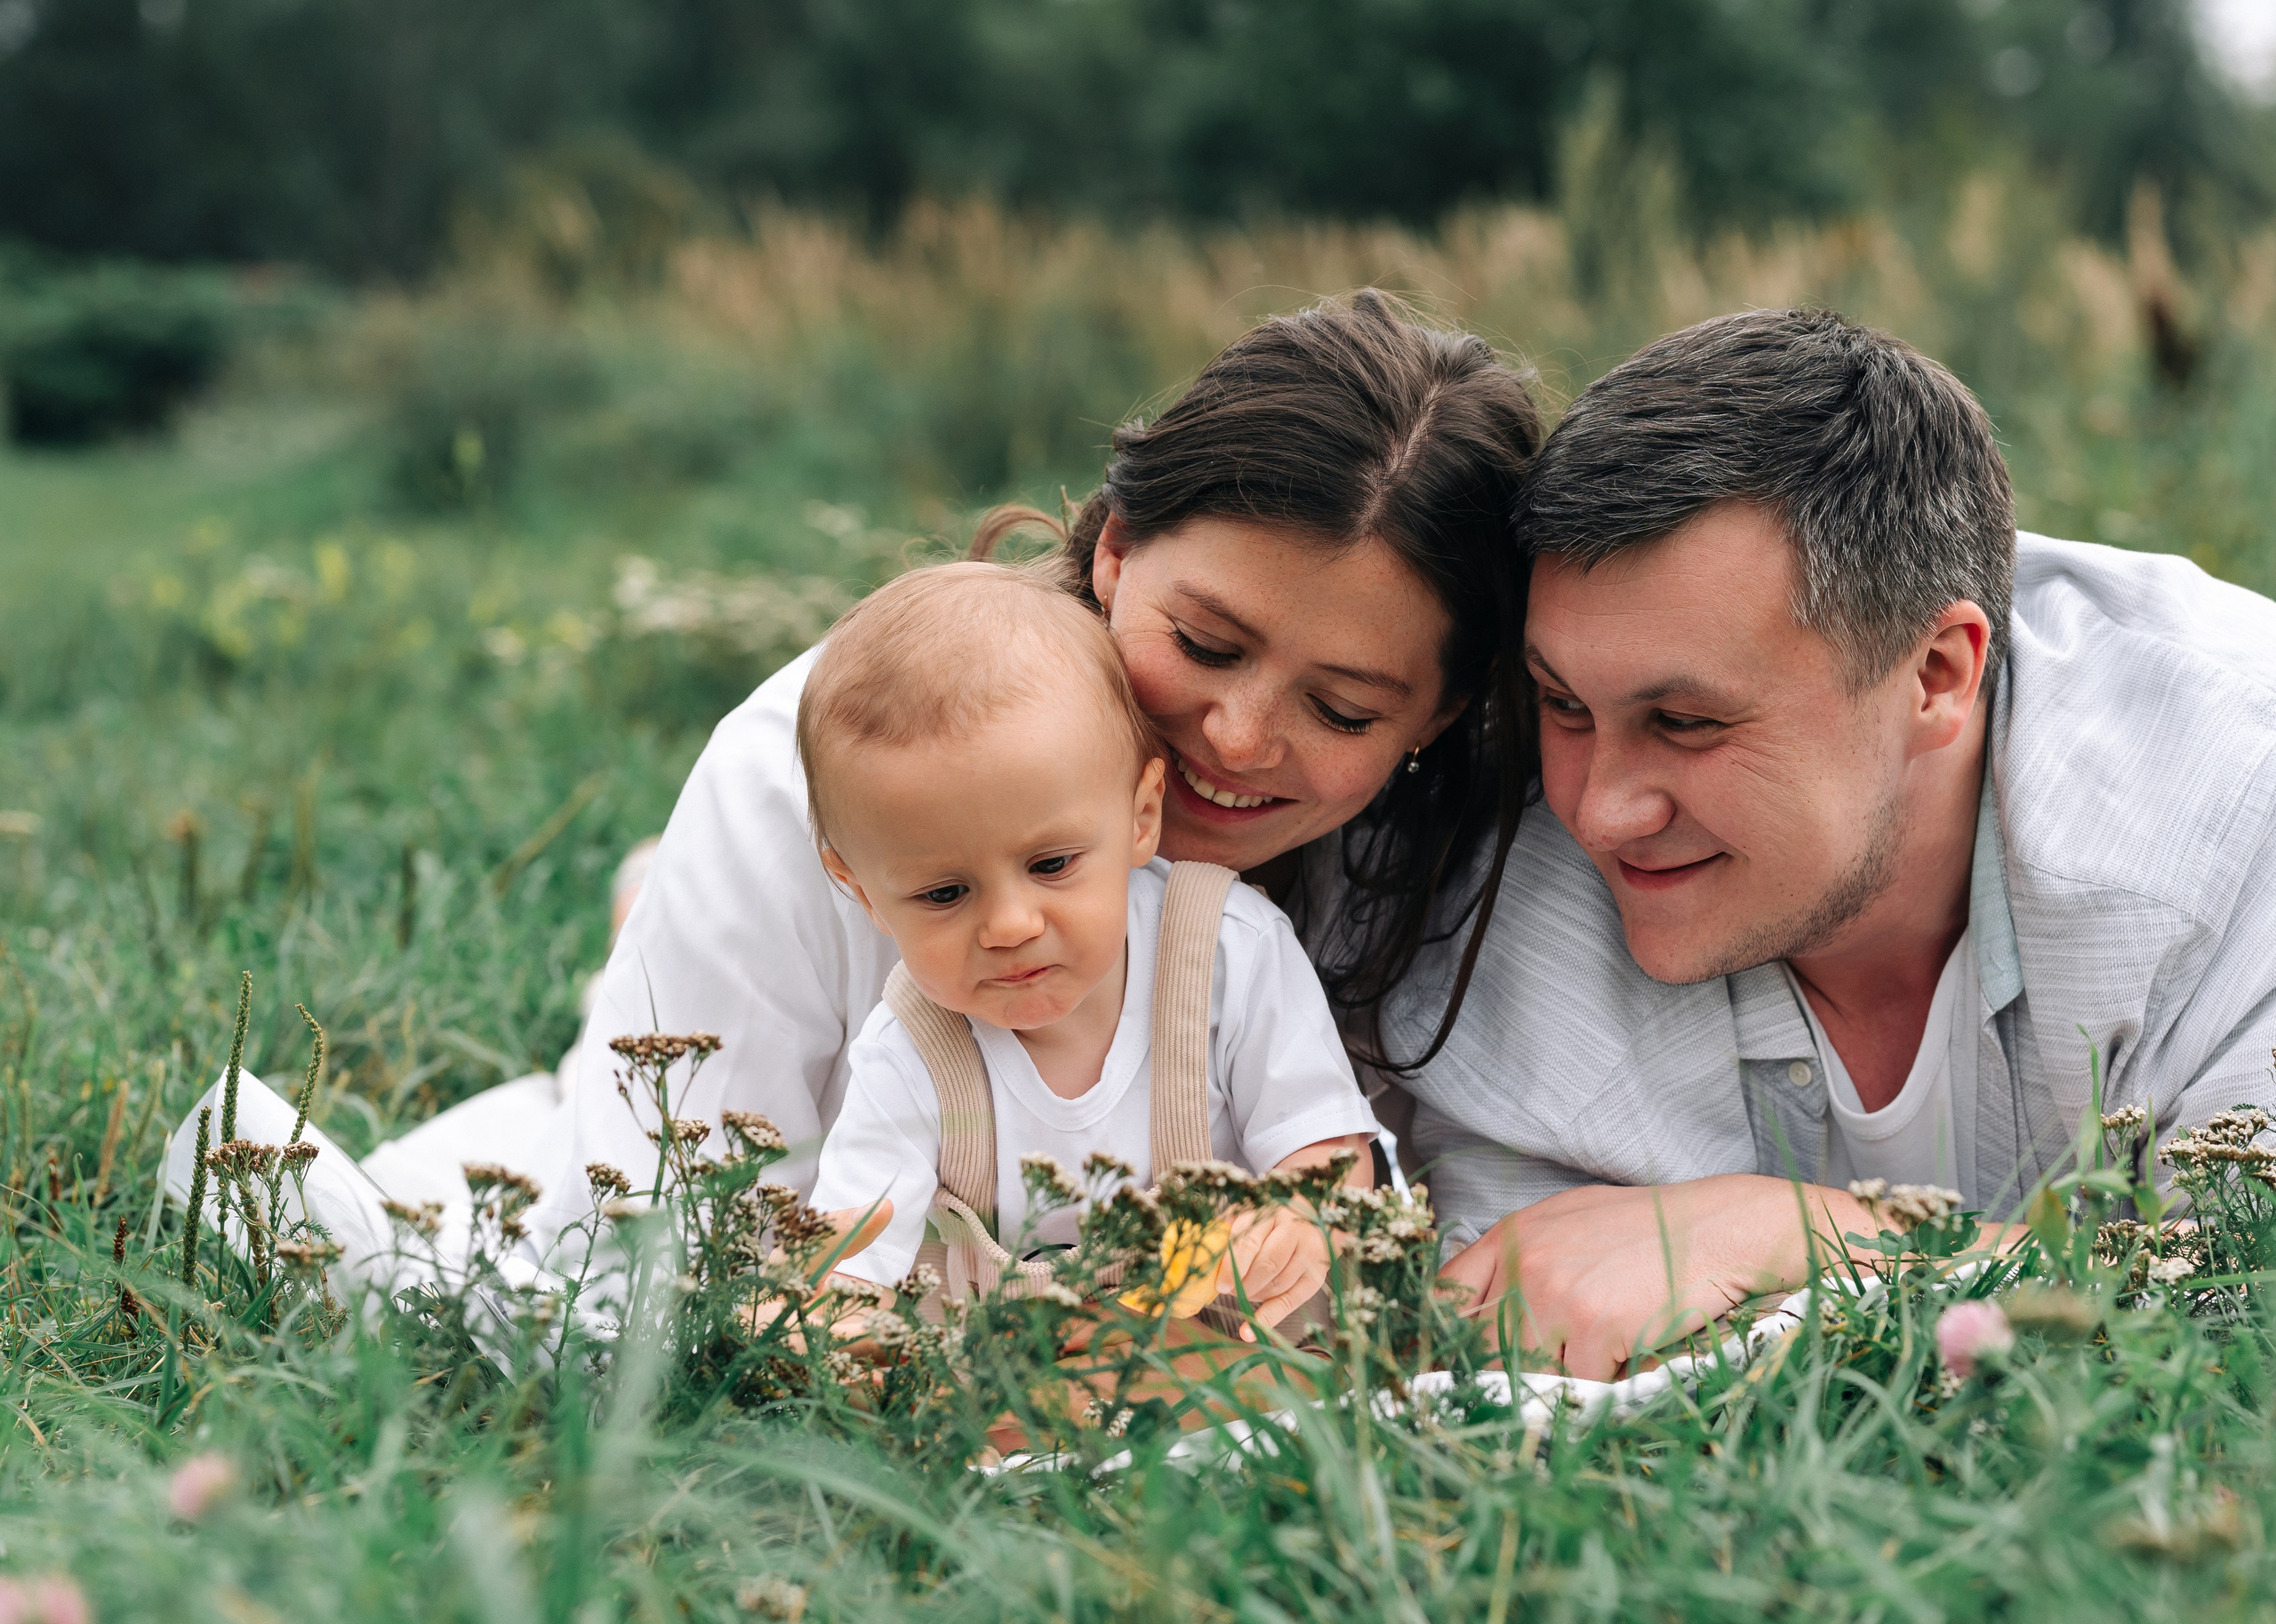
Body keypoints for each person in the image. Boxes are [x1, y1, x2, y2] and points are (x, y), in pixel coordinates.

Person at [166, 291, 1544, 1293]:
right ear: (1116, 552)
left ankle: (641, 903)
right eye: (1204, 645)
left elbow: (1425, 1205)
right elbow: (675, 1226)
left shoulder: (1454, 863)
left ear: (1441, 711)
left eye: (1345, 708)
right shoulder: (805, 769)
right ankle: (651, 918)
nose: (1238, 741)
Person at [1401, 308, 2276, 1380]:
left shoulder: (2229, 805)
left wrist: (1785, 1234)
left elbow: (2247, 1295)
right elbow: (1522, 1360)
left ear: (1937, 675)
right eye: (1562, 703)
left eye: (1686, 722)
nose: (1599, 809)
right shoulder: (1501, 870)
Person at [797, 562, 1376, 1320]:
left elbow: (1327, 1150)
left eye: (1051, 864)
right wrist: (837, 1318)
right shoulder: (914, 1050)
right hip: (1021, 1383)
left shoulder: (1226, 950)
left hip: (1222, 1350)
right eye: (944, 893)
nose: (1010, 925)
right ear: (863, 892)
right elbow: (852, 1252)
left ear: (1142, 816)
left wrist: (1297, 1218)